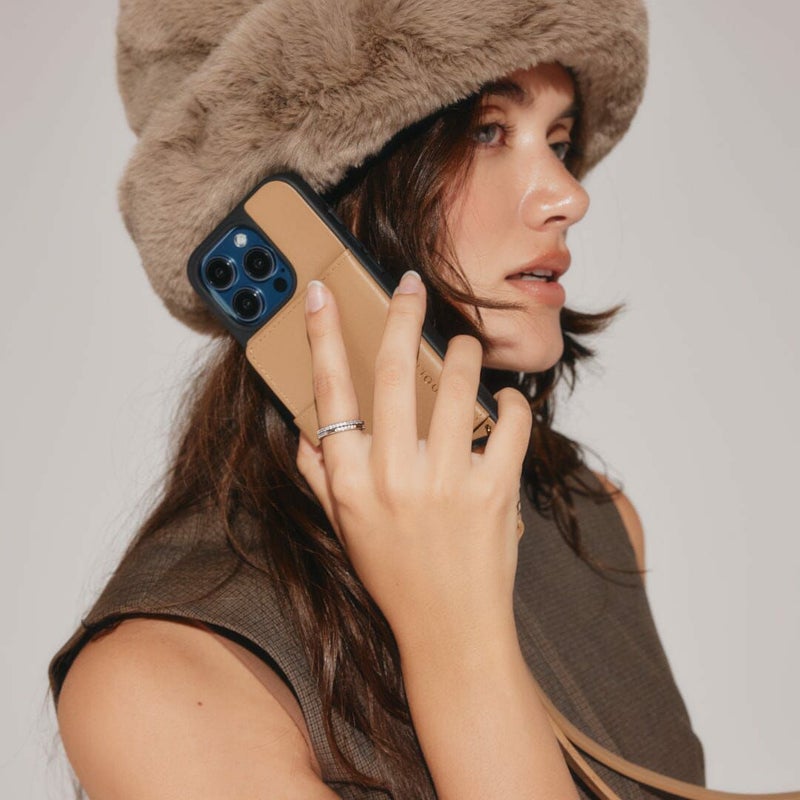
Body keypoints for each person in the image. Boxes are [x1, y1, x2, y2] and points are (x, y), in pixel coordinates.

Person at [49, 1, 706, 798]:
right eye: (487, 131)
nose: (569, 195)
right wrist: (453, 632)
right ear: (315, 199)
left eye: (558, 142)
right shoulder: (154, 684)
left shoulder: (593, 520)